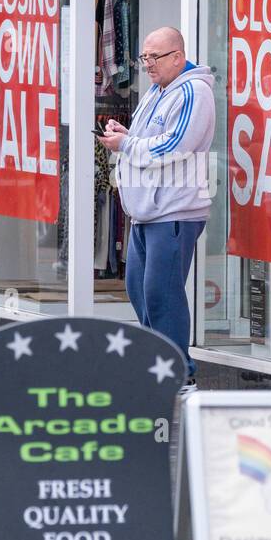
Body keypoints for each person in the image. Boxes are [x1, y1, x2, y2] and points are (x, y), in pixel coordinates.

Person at [99, 27, 215, 389]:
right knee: (138, 288)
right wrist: (126, 135)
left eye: (154, 57)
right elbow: (148, 140)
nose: (147, 64)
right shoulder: (158, 91)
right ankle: (158, 362)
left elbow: (176, 144)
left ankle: (180, 373)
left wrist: (127, 145)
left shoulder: (194, 91)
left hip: (175, 213)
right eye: (144, 57)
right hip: (146, 213)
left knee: (162, 294)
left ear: (178, 57)